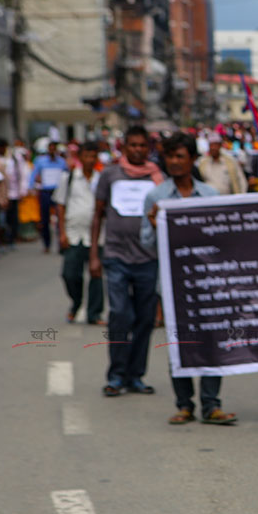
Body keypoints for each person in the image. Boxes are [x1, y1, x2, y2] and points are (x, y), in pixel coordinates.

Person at [141, 133, 237, 425]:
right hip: (173, 284)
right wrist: (154, 224)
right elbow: (146, 245)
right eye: (169, 157)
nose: (174, 162)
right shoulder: (156, 197)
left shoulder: (210, 196)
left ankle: (211, 405)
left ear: (192, 159)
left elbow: (223, 241)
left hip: (208, 283)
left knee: (212, 342)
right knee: (177, 344)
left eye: (180, 156)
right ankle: (184, 404)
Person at [90, 125, 165, 398]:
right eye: (132, 145)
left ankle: (136, 375)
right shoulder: (109, 175)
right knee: (120, 314)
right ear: (124, 147)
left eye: (142, 146)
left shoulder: (158, 180)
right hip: (116, 256)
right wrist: (94, 255)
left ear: (149, 149)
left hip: (148, 257)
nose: (137, 150)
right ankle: (116, 375)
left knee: (145, 319)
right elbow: (97, 215)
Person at [54, 141, 104, 325]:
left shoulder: (101, 179)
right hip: (74, 233)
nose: (90, 160)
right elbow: (60, 206)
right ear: (80, 157)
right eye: (87, 156)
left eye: (93, 156)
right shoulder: (68, 178)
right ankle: (76, 302)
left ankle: (94, 313)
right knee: (70, 274)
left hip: (96, 235)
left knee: (96, 274)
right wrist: (62, 233)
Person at [31, 141, 69, 254]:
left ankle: (60, 243)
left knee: (60, 218)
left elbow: (66, 176)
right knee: (45, 219)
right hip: (45, 192)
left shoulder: (62, 162)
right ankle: (47, 244)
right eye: (50, 148)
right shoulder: (40, 161)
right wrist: (31, 187)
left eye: (54, 149)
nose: (52, 151)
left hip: (58, 192)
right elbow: (33, 175)